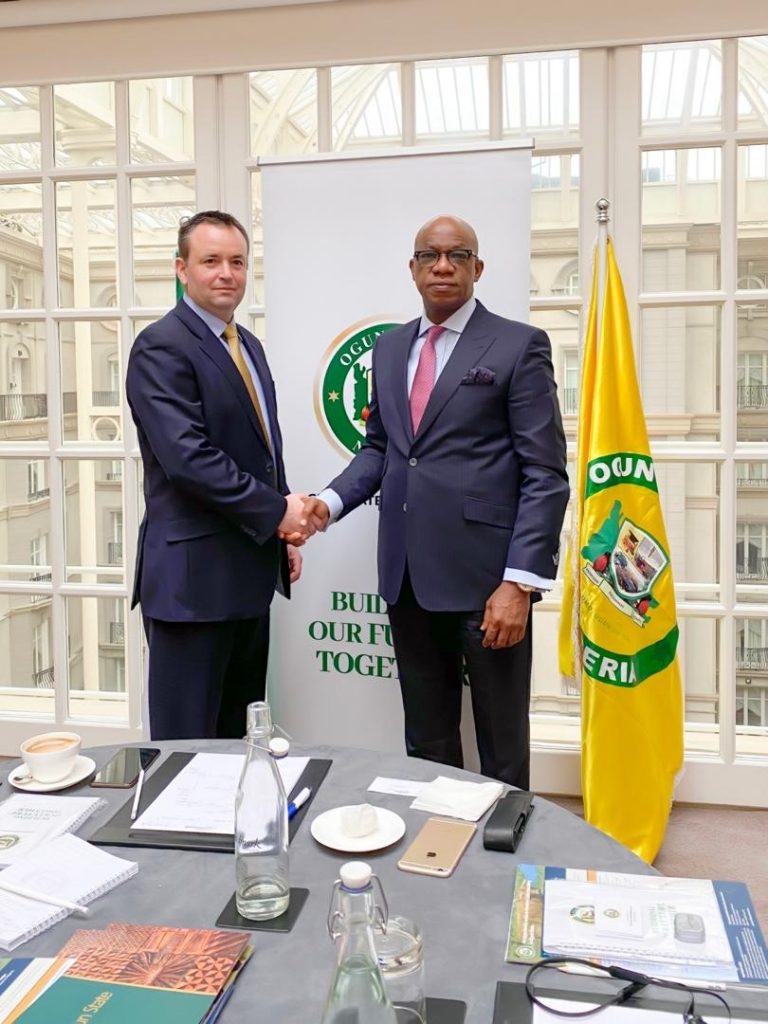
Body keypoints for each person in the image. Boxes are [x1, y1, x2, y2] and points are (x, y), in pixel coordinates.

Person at [303, 215, 569, 788]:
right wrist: (328, 502)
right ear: (413, 268)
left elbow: (545, 473)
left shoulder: (519, 345)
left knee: (501, 740)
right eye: (430, 255)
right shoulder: (389, 348)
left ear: (478, 267)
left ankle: (504, 838)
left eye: (457, 255)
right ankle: (437, 835)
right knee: (427, 740)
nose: (442, 266)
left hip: (488, 582)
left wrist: (519, 583)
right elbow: (381, 449)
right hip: (408, 578)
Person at [126, 210, 312, 740]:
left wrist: (278, 532)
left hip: (249, 576)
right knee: (185, 751)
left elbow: (261, 450)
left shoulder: (247, 344)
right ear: (181, 269)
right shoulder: (161, 345)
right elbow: (189, 458)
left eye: (237, 261)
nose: (226, 273)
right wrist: (277, 511)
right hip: (192, 589)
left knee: (238, 744)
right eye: (210, 261)